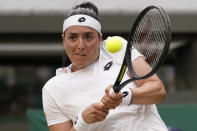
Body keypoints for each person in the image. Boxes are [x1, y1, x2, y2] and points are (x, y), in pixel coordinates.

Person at [42, 2, 168, 131]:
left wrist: (124, 97)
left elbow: (158, 91)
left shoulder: (116, 49)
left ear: (100, 38)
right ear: (64, 40)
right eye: (73, 37)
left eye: (88, 37)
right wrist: (83, 122)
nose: (81, 45)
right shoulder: (52, 89)